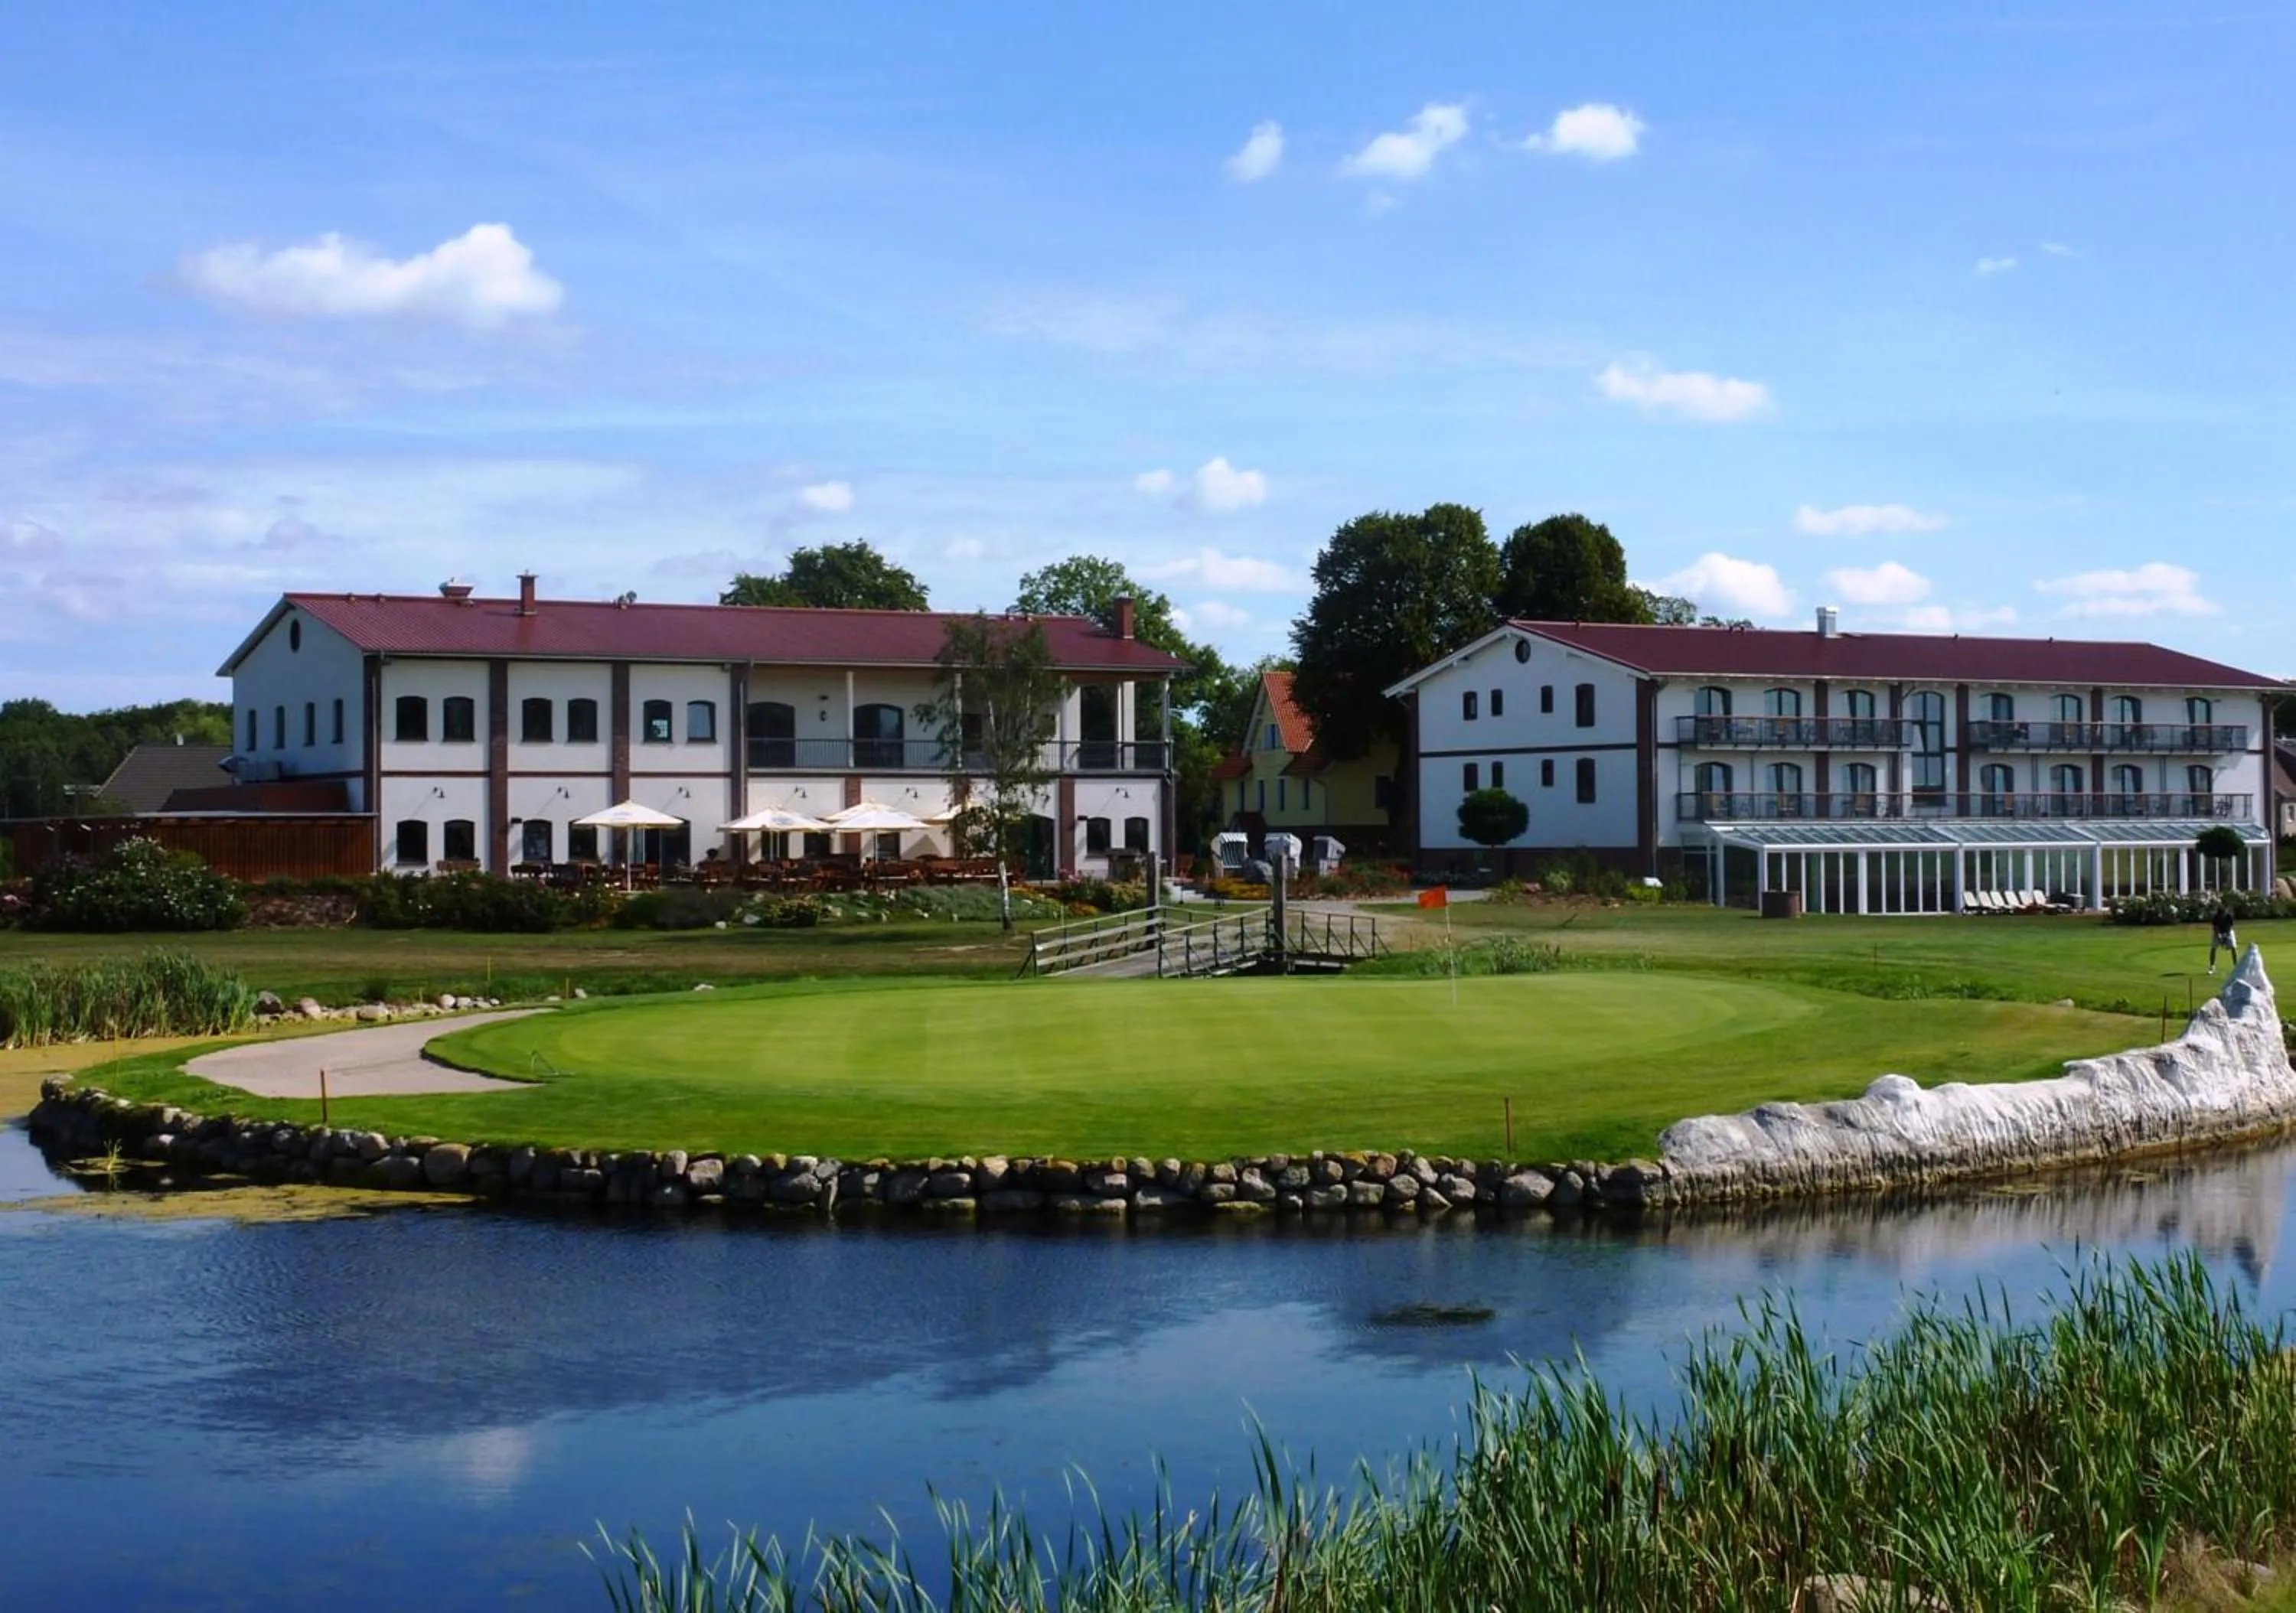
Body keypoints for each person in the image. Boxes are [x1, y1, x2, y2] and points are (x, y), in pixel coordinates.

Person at [2209, 904, 2238, 975]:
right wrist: (2219, 936)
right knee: (2213, 948)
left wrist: (2226, 937)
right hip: (2218, 933)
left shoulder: (2229, 916)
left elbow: (2230, 927)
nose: (2222, 916)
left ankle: (2236, 967)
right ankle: (2212, 967)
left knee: (2233, 948)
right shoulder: (2215, 917)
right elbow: (2215, 928)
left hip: (2228, 932)